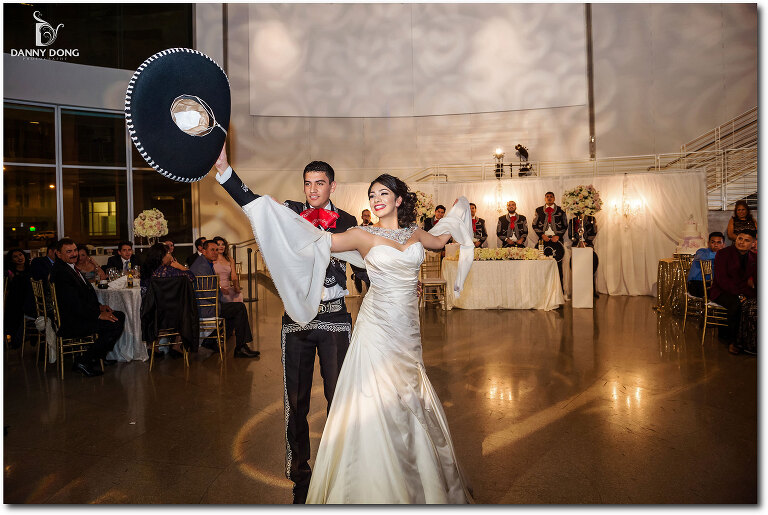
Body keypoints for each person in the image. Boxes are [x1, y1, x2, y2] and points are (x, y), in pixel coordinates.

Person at [216, 160, 474, 502]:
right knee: (310, 402)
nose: (376, 199)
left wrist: (458, 212)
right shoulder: (327, 223)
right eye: (372, 194)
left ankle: (395, 470)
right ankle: (311, 480)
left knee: (364, 397)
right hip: (326, 321)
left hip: (376, 325)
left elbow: (436, 242)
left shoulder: (371, 226)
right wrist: (229, 176)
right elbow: (286, 228)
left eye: (383, 193)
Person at [214, 147, 357, 503]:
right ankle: (301, 479)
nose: (313, 189)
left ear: (332, 186)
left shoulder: (348, 220)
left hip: (334, 317)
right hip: (296, 322)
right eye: (308, 183)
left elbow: (365, 262)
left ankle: (341, 471)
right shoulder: (290, 212)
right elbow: (253, 204)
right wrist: (225, 170)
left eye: (320, 183)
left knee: (339, 399)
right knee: (296, 402)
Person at [49, 238, 125, 377]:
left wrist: (100, 307)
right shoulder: (61, 272)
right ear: (58, 254)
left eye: (75, 250)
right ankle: (85, 360)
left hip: (80, 314)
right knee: (114, 323)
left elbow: (84, 296)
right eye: (69, 251)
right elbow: (73, 303)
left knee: (118, 315)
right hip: (73, 321)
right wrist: (98, 314)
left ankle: (97, 355)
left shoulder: (69, 267)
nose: (74, 254)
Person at [190, 241, 260, 359]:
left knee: (234, 310)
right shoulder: (202, 266)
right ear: (204, 251)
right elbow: (207, 293)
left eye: (216, 250)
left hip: (207, 303)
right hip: (205, 307)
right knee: (239, 308)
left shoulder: (204, 262)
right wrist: (221, 297)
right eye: (212, 250)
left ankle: (210, 341)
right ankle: (240, 347)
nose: (215, 252)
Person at [141, 242, 195, 358]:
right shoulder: (172, 271)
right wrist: (180, 266)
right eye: (168, 253)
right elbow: (191, 277)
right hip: (174, 314)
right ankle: (176, 345)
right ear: (163, 256)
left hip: (153, 313)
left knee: (162, 314)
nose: (171, 255)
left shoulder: (147, 271)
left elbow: (144, 292)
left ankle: (153, 347)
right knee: (185, 310)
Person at [710, 229, 757, 355]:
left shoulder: (754, 257)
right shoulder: (723, 254)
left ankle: (750, 341)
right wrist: (740, 294)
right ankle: (733, 342)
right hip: (721, 291)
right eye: (740, 238)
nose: (741, 242)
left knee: (754, 305)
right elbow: (722, 280)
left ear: (753, 243)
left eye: (746, 240)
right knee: (737, 304)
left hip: (742, 291)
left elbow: (755, 280)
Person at [532, 191, 568, 288]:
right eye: (547, 196)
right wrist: (542, 235)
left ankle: (560, 290)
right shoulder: (538, 210)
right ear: (545, 198)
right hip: (543, 240)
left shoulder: (561, 210)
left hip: (557, 241)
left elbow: (565, 225)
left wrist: (558, 236)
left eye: (551, 196)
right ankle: (543, 289)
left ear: (554, 198)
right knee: (542, 265)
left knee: (558, 265)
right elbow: (534, 225)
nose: (549, 198)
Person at [4, 248, 35, 349]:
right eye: (15, 257)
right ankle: (15, 340)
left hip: (29, 301)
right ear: (11, 260)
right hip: (15, 302)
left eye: (20, 255)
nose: (19, 258)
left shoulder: (31, 269)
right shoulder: (9, 272)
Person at [567, 214, 599, 297]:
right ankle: (576, 290)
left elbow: (594, 232)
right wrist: (579, 242)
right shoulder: (572, 221)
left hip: (588, 245)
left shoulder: (592, 218)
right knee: (576, 268)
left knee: (590, 267)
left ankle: (592, 290)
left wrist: (586, 242)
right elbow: (570, 235)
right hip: (576, 246)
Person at [686, 232, 725, 298]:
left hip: (710, 285)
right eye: (713, 242)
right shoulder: (702, 251)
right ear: (708, 243)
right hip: (695, 284)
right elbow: (702, 257)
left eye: (719, 243)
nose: (715, 245)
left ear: (723, 245)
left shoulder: (724, 257)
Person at [211, 236, 243, 303]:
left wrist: (236, 287)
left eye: (223, 244)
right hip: (216, 288)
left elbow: (234, 276)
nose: (221, 246)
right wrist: (220, 288)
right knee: (226, 298)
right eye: (218, 245)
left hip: (228, 287)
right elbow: (211, 278)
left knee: (239, 295)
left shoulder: (230, 259)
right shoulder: (212, 259)